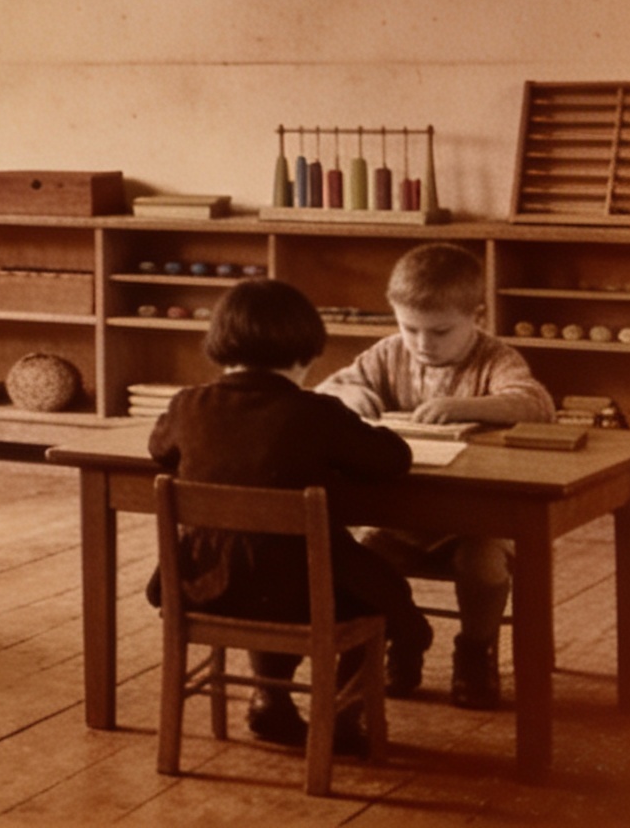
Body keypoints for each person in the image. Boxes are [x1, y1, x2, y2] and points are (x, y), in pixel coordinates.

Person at [147, 278, 429, 755]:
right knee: (376, 597)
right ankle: (342, 716)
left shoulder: (186, 405)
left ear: (220, 345)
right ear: (305, 354)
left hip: (203, 586)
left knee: (280, 569)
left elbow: (159, 450)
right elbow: (392, 460)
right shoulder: (316, 413)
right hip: (298, 593)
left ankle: (271, 701)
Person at [314, 241, 554, 709]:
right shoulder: (387, 354)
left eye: (441, 331)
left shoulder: (495, 357)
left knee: (482, 567)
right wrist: (349, 399)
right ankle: (402, 640)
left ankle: (474, 649)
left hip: (478, 521)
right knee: (361, 564)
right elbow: (329, 388)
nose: (424, 344)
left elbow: (536, 404)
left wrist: (463, 406)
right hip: (400, 518)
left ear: (477, 317)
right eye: (410, 329)